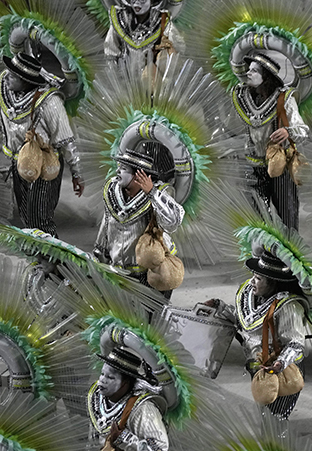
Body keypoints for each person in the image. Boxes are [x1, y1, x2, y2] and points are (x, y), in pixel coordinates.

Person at [211, 247, 312, 420]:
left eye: (258, 278)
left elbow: (296, 343)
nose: (252, 282)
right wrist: (218, 306)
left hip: (283, 371)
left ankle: (277, 443)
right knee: (266, 413)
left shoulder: (289, 307)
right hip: (259, 367)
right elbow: (243, 321)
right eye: (253, 276)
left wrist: (280, 364)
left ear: (273, 283)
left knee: (277, 417)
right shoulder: (253, 296)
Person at [0, 52, 82, 236]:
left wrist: (76, 172)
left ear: (26, 80)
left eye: (13, 76)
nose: (7, 78)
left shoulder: (50, 103)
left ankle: (53, 261)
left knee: (40, 219)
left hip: (45, 167)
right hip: (18, 164)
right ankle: (39, 260)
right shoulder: (5, 90)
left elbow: (66, 140)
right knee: (27, 218)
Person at [93, 148, 184, 297]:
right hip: (120, 272)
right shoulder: (112, 191)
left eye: (123, 169)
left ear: (139, 175)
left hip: (150, 272)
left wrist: (152, 193)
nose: (118, 172)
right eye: (118, 168)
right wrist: (99, 254)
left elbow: (173, 222)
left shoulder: (160, 192)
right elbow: (107, 223)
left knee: (150, 317)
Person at [232, 53, 309, 230]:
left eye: (254, 71)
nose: (248, 74)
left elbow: (303, 130)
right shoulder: (243, 97)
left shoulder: (283, 98)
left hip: (279, 168)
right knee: (257, 219)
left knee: (286, 217)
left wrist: (287, 131)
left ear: (266, 76)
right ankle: (262, 255)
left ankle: (288, 254)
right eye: (248, 70)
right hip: (253, 168)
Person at [81, 346, 169, 451]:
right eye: (102, 374)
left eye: (110, 377)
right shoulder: (96, 396)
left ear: (126, 382)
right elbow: (94, 434)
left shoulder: (143, 410)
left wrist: (123, 439)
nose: (102, 380)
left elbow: (160, 449)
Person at [104, 0, 184, 67]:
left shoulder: (163, 22)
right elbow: (111, 53)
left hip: (154, 81)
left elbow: (178, 51)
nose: (137, 3)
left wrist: (167, 51)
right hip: (124, 80)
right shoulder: (120, 21)